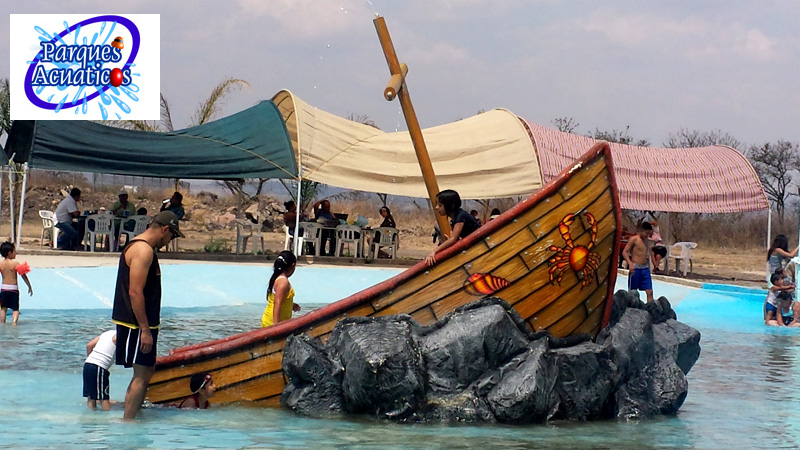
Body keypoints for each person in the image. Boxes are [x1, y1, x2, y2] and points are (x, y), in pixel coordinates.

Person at [112, 211, 184, 420]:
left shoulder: (141, 247)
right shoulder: (143, 250)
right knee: (141, 375)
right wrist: (144, 329)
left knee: (146, 371)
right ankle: (128, 422)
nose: (169, 241)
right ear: (164, 229)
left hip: (141, 323)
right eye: (172, 236)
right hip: (137, 324)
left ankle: (134, 416)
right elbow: (135, 291)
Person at [425, 190, 481, 266]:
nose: (436, 207)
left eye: (440, 205)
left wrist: (434, 251)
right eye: (436, 204)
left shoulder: (460, 216)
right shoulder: (455, 218)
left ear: (451, 206)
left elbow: (453, 239)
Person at [261, 251, 301, 327]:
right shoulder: (283, 282)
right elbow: (277, 302)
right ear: (293, 265)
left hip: (268, 319)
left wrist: (290, 304)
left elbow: (274, 298)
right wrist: (276, 326)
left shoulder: (276, 277)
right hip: (272, 322)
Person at [83, 329, 117, 410]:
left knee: (91, 397)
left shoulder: (107, 333)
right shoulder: (119, 336)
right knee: (104, 398)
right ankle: (105, 419)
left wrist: (92, 359)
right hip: (99, 366)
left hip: (87, 364)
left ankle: (92, 416)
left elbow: (89, 345)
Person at [0, 242, 33, 325]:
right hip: (13, 289)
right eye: (14, 251)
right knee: (15, 309)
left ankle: (2, 323)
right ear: (10, 253)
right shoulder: (15, 264)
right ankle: (14, 324)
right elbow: (23, 276)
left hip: (4, 288)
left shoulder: (1, 264)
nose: (15, 253)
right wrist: (29, 286)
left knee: (3, 308)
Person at [623, 221, 655, 303]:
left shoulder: (647, 240)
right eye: (646, 233)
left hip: (645, 269)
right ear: (641, 230)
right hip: (635, 268)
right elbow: (625, 252)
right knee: (633, 293)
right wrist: (630, 264)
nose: (647, 235)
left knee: (649, 291)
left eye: (649, 234)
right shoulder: (634, 239)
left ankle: (650, 309)